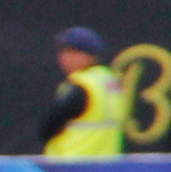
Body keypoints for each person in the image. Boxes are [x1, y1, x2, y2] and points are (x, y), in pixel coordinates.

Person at [41, 27, 124, 158]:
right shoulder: (109, 81)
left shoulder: (81, 85)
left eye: (71, 52)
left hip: (71, 164)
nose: (64, 58)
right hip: (106, 165)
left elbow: (47, 127)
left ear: (89, 56)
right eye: (63, 52)